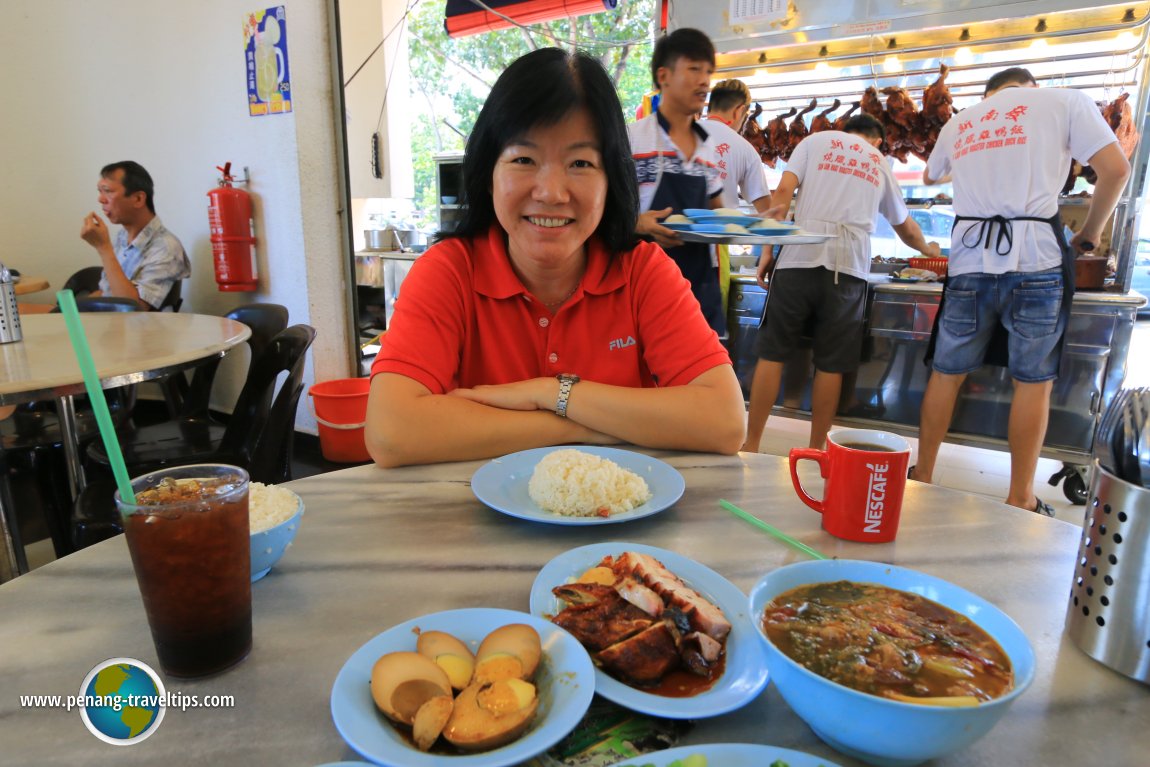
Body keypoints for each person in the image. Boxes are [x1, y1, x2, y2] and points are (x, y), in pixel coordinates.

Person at [364, 48, 746, 468]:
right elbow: (391, 431)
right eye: (523, 159)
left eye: (580, 162)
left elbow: (724, 421)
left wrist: (548, 394)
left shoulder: (642, 271)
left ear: (610, 180)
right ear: (488, 174)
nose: (551, 192)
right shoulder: (448, 270)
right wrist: (585, 425)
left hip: (619, 522)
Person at [912, 67, 1130, 514]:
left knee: (946, 372)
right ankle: (1020, 498)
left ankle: (924, 477)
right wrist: (1088, 234)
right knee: (1033, 381)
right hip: (1038, 262)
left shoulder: (962, 120)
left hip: (970, 261)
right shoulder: (1064, 102)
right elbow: (1116, 169)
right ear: (1029, 88)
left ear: (989, 92)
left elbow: (931, 177)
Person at [743, 114, 940, 452]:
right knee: (830, 365)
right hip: (847, 269)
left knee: (772, 355)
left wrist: (766, 251)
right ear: (876, 140)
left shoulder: (813, 143)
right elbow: (905, 227)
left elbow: (781, 199)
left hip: (798, 258)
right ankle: (817, 449)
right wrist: (929, 249)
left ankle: (751, 444)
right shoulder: (877, 160)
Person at [628, 28, 727, 335]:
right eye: (694, 68)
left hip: (698, 285)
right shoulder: (633, 138)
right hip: (644, 280)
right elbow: (598, 210)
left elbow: (717, 213)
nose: (704, 81)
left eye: (708, 71)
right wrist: (638, 222)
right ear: (664, 76)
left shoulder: (707, 146)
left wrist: (758, 225)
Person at [21, 161, 190, 313]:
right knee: (15, 312)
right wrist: (64, 310)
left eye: (108, 191)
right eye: (100, 191)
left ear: (138, 198)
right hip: (103, 325)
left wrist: (103, 247)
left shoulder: (166, 247)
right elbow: (105, 292)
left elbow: (133, 309)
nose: (101, 199)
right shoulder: (123, 236)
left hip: (133, 337)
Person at [704, 79, 771, 214]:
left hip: (675, 230)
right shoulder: (745, 149)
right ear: (739, 111)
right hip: (722, 232)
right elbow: (768, 210)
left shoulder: (683, 134)